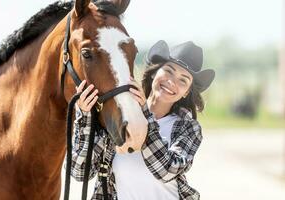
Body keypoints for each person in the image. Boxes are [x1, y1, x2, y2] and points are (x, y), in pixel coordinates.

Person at [71, 40, 215, 200]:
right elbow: (79, 172)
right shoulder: (119, 114)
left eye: (183, 80)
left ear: (186, 92)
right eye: (169, 71)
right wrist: (85, 117)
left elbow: (166, 170)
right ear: (154, 72)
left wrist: (145, 115)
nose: (172, 82)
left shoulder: (189, 128)